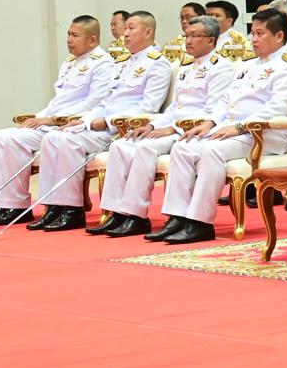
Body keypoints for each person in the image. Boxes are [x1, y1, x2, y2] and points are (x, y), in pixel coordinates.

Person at [150, 9, 287, 244]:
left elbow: (278, 107)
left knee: (211, 150)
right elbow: (226, 101)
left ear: (279, 36)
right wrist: (209, 123)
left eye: (260, 34)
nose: (254, 39)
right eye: (253, 33)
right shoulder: (247, 65)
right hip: (231, 129)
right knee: (183, 147)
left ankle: (200, 222)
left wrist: (240, 127)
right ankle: (177, 217)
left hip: (264, 135)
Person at [28, 11, 174, 231]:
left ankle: (72, 209)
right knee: (54, 137)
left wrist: (107, 121)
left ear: (148, 32)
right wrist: (83, 120)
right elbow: (106, 101)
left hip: (119, 129)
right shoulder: (123, 62)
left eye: (131, 28)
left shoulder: (158, 64)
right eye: (125, 28)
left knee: (68, 141)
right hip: (99, 124)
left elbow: (148, 107)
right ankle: (54, 206)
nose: (125, 33)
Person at [96, 16, 233, 238]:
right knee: (121, 145)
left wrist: (173, 128)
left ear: (211, 40)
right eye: (187, 35)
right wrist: (151, 125)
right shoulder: (186, 67)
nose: (189, 41)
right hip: (173, 126)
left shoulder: (222, 68)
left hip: (193, 131)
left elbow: (213, 111)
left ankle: (141, 216)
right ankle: (118, 213)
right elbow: (173, 108)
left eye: (195, 36)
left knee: (146, 148)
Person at [0, 16, 116, 226]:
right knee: (1, 137)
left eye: (75, 35)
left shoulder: (103, 63)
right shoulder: (70, 63)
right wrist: (37, 118)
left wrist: (51, 120)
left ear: (92, 39)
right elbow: (57, 102)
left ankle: (49, 206)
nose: (69, 39)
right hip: (53, 123)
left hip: (73, 125)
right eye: (68, 34)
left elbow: (94, 103)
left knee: (21, 139)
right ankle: (8, 204)